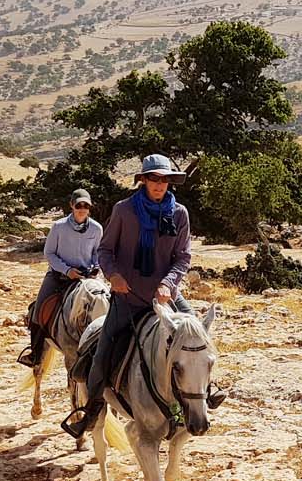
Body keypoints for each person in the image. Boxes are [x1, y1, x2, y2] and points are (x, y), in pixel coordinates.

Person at [62, 154, 219, 437]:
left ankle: (208, 391)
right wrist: (115, 276)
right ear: (144, 180)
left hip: (166, 296)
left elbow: (182, 257)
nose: (160, 185)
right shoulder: (124, 211)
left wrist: (168, 283)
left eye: (165, 180)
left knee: (197, 338)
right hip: (129, 296)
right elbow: (105, 251)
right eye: (155, 179)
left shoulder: (179, 213)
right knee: (104, 348)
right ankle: (92, 408)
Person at [18, 189, 103, 367]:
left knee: (105, 304)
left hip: (86, 278)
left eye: (86, 206)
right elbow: (49, 253)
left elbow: (97, 253)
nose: (82, 209)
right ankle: (35, 353)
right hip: (59, 276)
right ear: (72, 205)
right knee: (38, 310)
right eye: (79, 205)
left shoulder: (96, 228)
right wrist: (66, 270)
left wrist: (95, 267)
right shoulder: (58, 227)